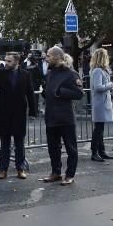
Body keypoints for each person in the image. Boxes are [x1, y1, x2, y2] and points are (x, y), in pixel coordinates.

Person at [41, 46, 84, 185]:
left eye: (48, 55)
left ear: (57, 57)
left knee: (71, 147)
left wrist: (60, 91)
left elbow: (79, 93)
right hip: (51, 116)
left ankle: (70, 174)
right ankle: (56, 172)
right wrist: (44, 92)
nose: (46, 58)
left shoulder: (71, 74)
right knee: (53, 147)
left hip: (66, 117)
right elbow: (48, 91)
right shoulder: (49, 73)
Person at [0, 52, 36, 179]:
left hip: (19, 112)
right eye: (5, 60)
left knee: (19, 142)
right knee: (4, 142)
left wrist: (33, 112)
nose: (6, 63)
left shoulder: (25, 74)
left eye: (9, 61)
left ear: (17, 62)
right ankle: (3, 169)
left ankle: (20, 168)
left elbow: (30, 94)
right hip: (4, 112)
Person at [89, 48, 113, 162]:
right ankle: (95, 152)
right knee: (98, 129)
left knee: (100, 128)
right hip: (100, 103)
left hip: (103, 102)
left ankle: (101, 151)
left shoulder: (101, 70)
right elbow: (98, 87)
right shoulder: (97, 71)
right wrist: (110, 84)